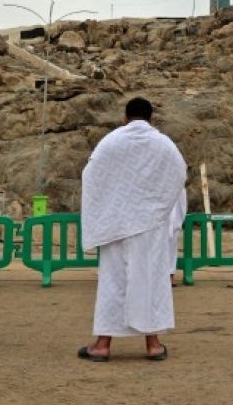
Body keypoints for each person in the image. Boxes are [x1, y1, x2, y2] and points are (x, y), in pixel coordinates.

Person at [78, 97, 187, 362]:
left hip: (116, 225)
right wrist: (157, 210)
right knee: (150, 280)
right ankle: (153, 345)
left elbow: (91, 176)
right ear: (151, 118)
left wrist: (107, 211)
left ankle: (103, 345)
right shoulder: (164, 144)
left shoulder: (111, 142)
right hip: (150, 226)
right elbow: (179, 176)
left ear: (125, 117)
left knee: (112, 282)